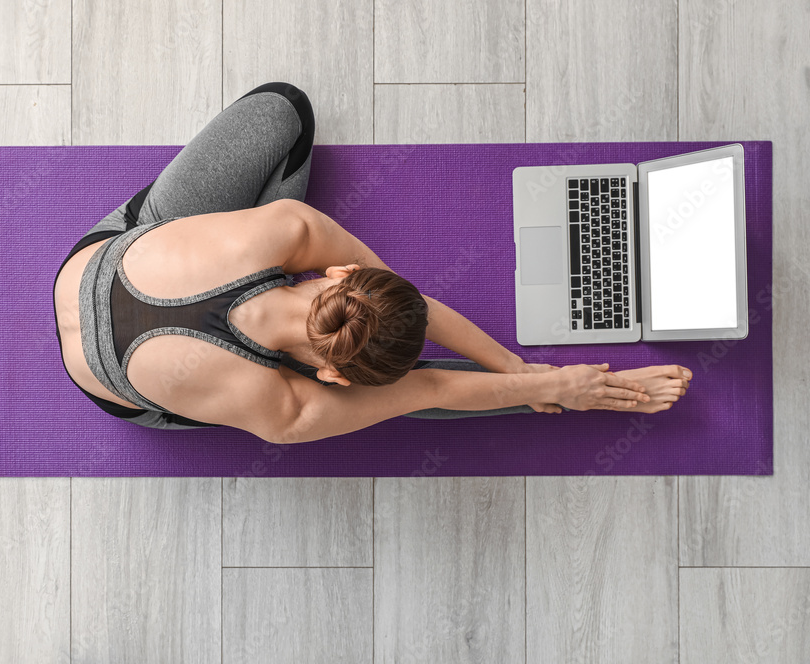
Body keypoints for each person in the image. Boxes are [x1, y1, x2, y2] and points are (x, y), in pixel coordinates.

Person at [52, 82, 692, 443]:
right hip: (117, 388)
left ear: (340, 275)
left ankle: (523, 384)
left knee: (285, 108)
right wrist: (548, 385)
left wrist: (520, 370)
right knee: (408, 393)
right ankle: (544, 392)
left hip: (97, 267)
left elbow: (397, 312)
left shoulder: (286, 229)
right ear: (331, 379)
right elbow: (431, 383)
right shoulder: (282, 408)